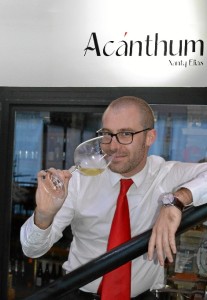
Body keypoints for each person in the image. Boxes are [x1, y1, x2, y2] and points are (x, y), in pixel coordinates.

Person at [20, 96, 207, 300]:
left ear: (150, 137)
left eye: (126, 134)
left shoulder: (166, 174)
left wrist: (177, 200)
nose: (113, 146)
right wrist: (44, 215)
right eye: (107, 134)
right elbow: (32, 249)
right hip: (79, 295)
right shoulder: (79, 180)